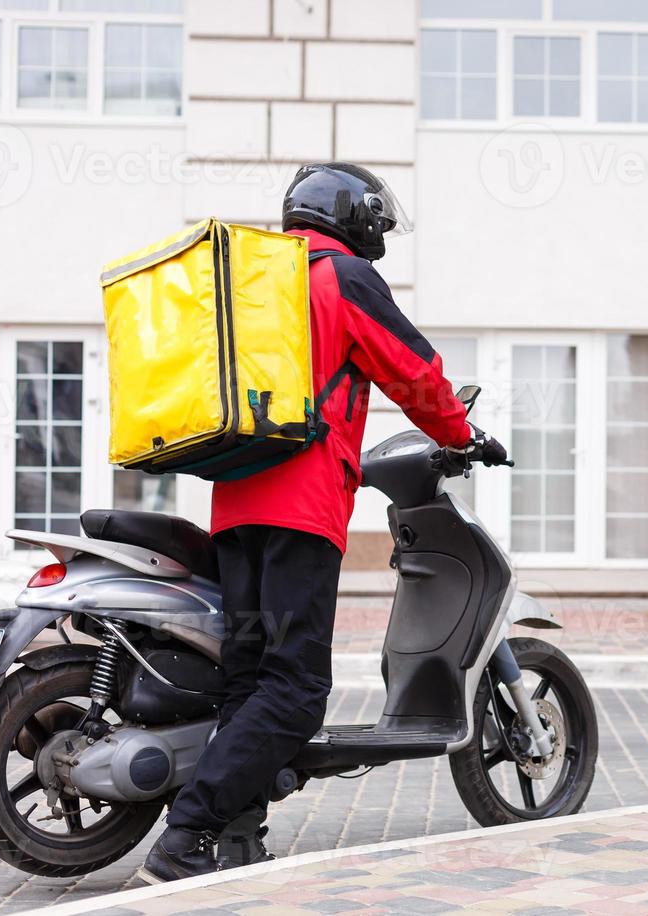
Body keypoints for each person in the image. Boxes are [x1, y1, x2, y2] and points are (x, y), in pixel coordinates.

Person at [143, 163, 508, 882]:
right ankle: (185, 833)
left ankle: (233, 834)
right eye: (374, 218)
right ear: (352, 216)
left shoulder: (258, 281)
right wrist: (461, 433)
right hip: (301, 513)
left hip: (236, 508)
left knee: (250, 677)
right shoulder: (339, 275)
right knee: (297, 689)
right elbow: (412, 371)